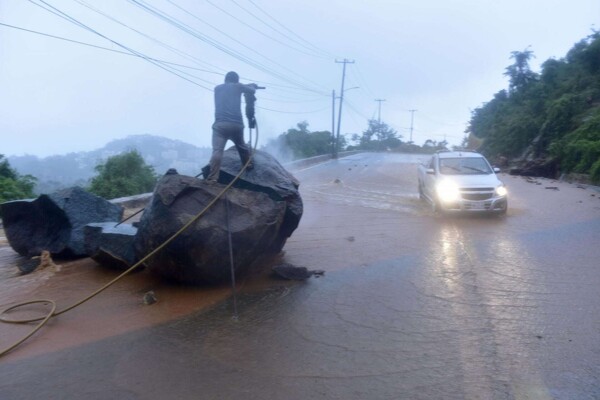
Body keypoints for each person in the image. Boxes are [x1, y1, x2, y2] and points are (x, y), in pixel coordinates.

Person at [206, 71, 258, 184]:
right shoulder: (238, 86)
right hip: (236, 125)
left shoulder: (217, 88)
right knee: (242, 146)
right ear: (236, 80)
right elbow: (252, 90)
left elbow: (233, 87)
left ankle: (213, 178)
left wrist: (244, 85)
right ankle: (248, 164)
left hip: (220, 126)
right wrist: (252, 86)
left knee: (217, 151)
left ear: (225, 79)